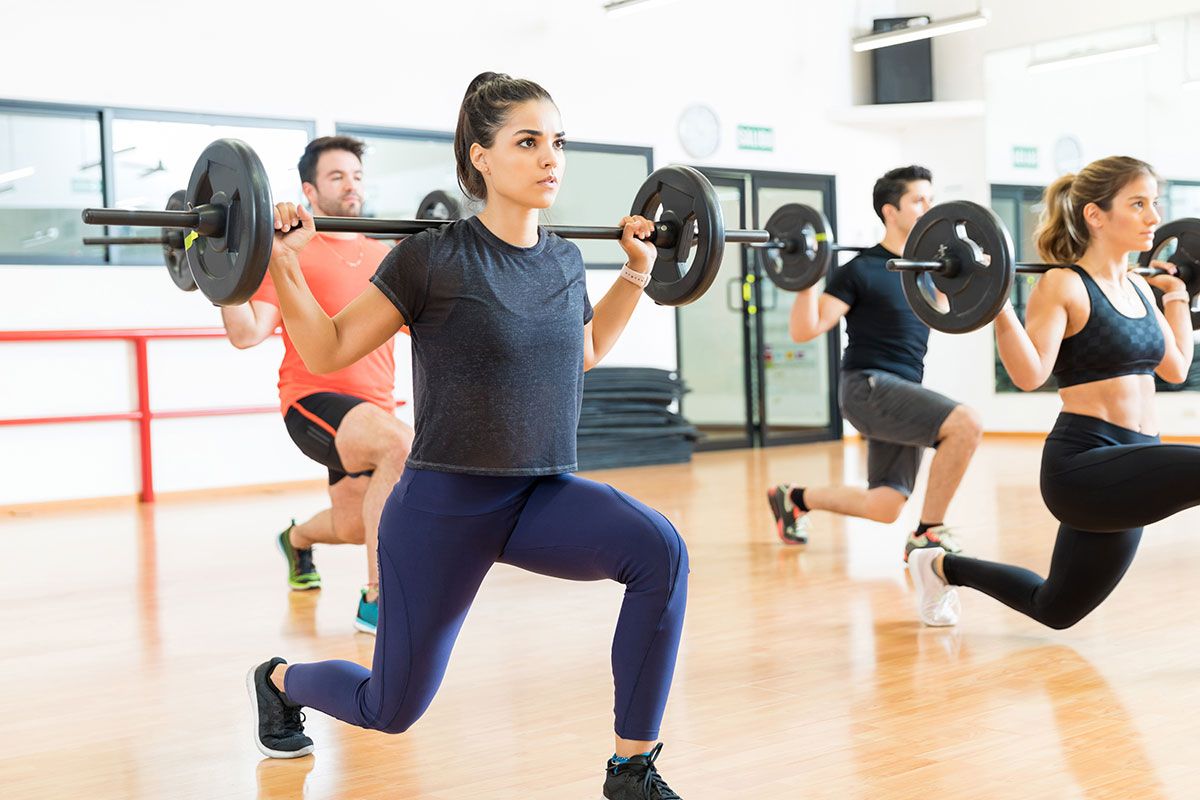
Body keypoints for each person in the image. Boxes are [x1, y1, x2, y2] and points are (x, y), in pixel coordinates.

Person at [244, 73, 688, 799]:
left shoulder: (564, 258)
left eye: (557, 142)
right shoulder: (432, 258)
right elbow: (325, 350)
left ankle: (631, 770)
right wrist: (285, 261)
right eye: (527, 142)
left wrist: (636, 273)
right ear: (480, 157)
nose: (551, 158)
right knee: (389, 709)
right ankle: (280, 680)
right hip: (443, 510)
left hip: (540, 494)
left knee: (660, 551)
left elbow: (582, 350)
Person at [909, 155, 1193, 628]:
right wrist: (994, 302)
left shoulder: (1142, 291)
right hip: (1083, 467)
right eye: (1138, 204)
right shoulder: (1062, 284)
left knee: (1055, 609)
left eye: (1155, 204)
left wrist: (1179, 296)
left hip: (1138, 460)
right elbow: (1030, 374)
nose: (1154, 218)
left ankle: (938, 566)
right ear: (1096, 215)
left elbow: (1177, 367)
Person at [221, 136, 413, 634]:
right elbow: (247, 333)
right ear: (309, 189)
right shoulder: (291, 251)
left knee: (353, 526)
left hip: (373, 406)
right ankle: (378, 598)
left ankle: (298, 540)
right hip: (312, 401)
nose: (350, 185)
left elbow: (428, 324)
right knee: (398, 444)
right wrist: (216, 268)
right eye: (336, 176)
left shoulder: (386, 254)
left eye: (356, 175)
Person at [767, 166, 983, 561]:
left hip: (902, 391)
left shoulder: (930, 271)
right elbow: (806, 329)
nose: (928, 208)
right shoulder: (861, 270)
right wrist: (806, 274)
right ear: (890, 211)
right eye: (918, 200)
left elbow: (951, 313)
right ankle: (929, 533)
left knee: (884, 506)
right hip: (867, 386)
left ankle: (793, 498)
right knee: (965, 424)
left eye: (930, 199)